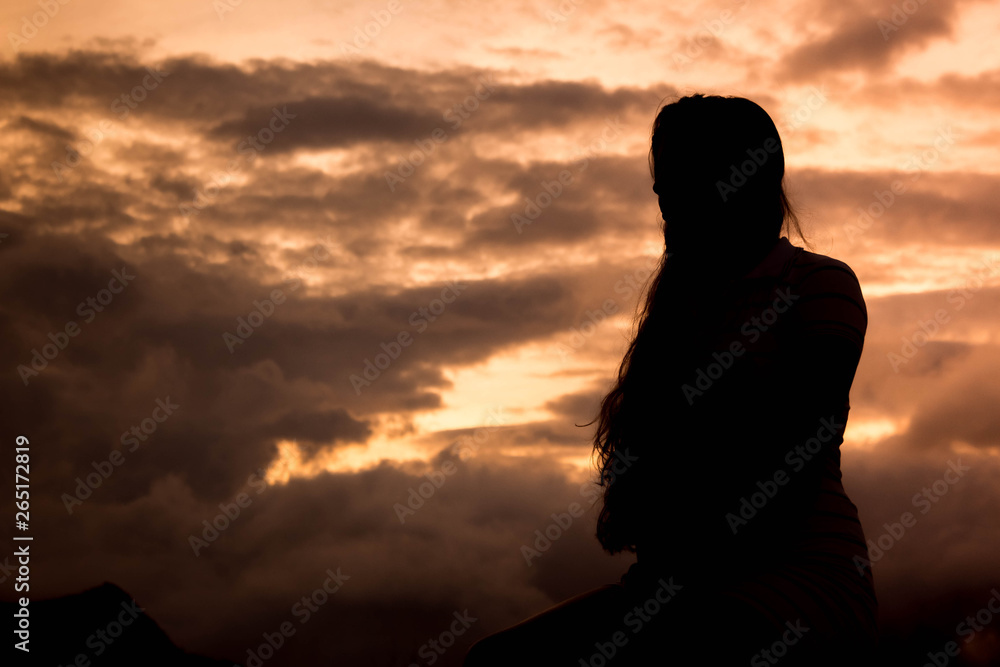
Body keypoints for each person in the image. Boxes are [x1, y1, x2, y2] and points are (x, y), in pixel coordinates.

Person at [463, 94, 877, 666]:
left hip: (796, 579)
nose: (670, 210)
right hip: (679, 582)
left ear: (745, 182)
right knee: (497, 661)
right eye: (664, 193)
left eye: (687, 187)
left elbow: (799, 454)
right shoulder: (680, 311)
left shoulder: (816, 284)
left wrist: (682, 567)